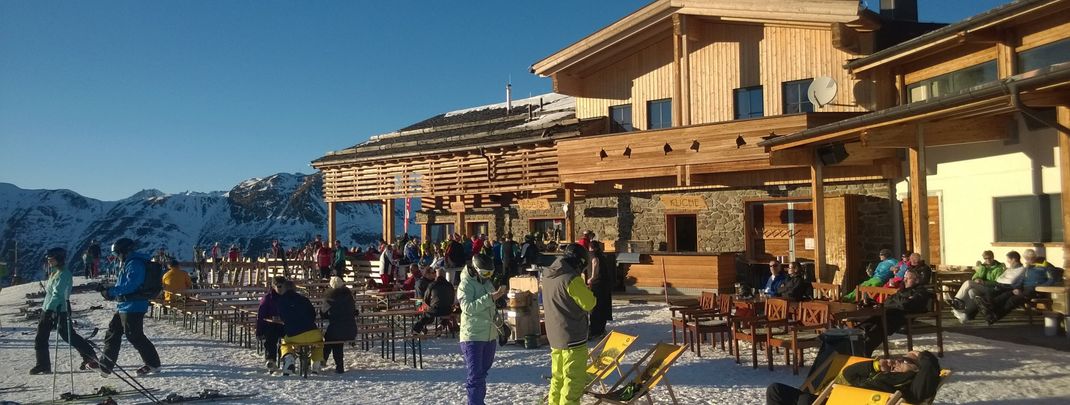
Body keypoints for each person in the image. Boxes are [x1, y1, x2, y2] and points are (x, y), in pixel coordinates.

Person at [766, 351, 940, 405]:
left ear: (918, 369)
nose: (899, 360)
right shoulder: (882, 373)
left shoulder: (910, 383)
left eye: (906, 361)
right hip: (834, 400)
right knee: (775, 390)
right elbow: (848, 374)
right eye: (900, 357)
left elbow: (929, 373)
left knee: (804, 401)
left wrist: (924, 356)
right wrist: (876, 365)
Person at [98, 238, 162, 376]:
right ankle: (105, 365)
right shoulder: (128, 263)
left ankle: (153, 364)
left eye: (116, 254)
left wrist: (110, 292)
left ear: (124, 252)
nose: (115, 257)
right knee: (113, 331)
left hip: (134, 305)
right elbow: (124, 283)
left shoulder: (135, 264)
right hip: (126, 304)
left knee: (134, 335)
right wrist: (109, 289)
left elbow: (131, 285)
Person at [30, 248, 100, 374]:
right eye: (48, 259)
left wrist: (49, 311)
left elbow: (58, 295)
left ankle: (90, 356)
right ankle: (42, 364)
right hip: (49, 308)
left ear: (59, 259)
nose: (49, 261)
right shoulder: (55, 272)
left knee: (68, 335)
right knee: (41, 336)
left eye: (51, 259)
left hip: (59, 309)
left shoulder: (64, 274)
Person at [545, 243, 597, 405]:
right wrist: (587, 289)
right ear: (579, 263)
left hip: (554, 335)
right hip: (572, 336)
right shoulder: (572, 280)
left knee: (558, 378)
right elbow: (589, 303)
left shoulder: (548, 275)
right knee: (573, 381)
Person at [458, 254, 508, 405]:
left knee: (482, 373)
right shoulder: (465, 284)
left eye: (490, 273)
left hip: (489, 335)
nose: (488, 276)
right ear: (476, 269)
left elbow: (491, 309)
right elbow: (467, 308)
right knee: (475, 375)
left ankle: (479, 401)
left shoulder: (487, 284)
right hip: (472, 336)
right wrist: (491, 298)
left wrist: (501, 327)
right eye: (485, 273)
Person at [858, 269, 933, 355]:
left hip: (900, 317)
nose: (904, 280)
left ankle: (864, 352)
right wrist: (870, 303)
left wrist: (897, 299)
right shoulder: (902, 290)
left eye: (908, 278)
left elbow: (907, 304)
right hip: (887, 313)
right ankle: (855, 346)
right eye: (904, 277)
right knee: (866, 324)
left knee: (878, 328)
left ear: (916, 280)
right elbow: (888, 301)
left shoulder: (920, 291)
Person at [975, 249, 1057, 325]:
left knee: (1012, 300)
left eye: (1029, 258)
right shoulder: (1028, 267)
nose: (1027, 261)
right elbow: (1022, 279)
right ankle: (990, 308)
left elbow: (1053, 279)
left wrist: (1040, 286)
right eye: (1026, 258)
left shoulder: (1045, 266)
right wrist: (1016, 288)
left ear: (1034, 257)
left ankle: (993, 314)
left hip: (1035, 290)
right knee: (1007, 294)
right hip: (1024, 288)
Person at [952, 251, 1025, 323]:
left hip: (992, 288)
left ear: (993, 258)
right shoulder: (984, 266)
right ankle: (966, 315)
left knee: (968, 283)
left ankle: (956, 302)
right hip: (985, 286)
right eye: (985, 258)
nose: (987, 260)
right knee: (972, 291)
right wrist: (980, 273)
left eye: (989, 258)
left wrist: (984, 282)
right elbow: (975, 277)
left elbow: (999, 281)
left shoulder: (999, 268)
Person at [277, 279, 325, 376]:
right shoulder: (304, 299)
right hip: (312, 332)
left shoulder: (281, 301)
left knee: (285, 343)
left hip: (293, 334)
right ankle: (316, 362)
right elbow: (313, 315)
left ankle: (289, 357)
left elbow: (282, 317)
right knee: (319, 343)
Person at [322, 277, 357, 374]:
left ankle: (324, 359)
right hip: (351, 329)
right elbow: (354, 311)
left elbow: (323, 313)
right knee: (334, 338)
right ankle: (337, 365)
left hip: (337, 330)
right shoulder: (349, 296)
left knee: (331, 338)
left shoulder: (329, 297)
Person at [413, 268, 456, 334]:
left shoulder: (432, 284)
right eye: (432, 273)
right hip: (421, 303)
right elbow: (452, 298)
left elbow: (426, 298)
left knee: (428, 315)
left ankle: (416, 329)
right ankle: (441, 325)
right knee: (444, 312)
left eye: (434, 273)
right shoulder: (449, 285)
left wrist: (430, 305)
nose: (434, 274)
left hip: (434, 308)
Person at [256, 277, 285, 371]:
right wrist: (259, 331)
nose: (281, 289)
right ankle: (271, 359)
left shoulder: (287, 297)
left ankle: (287, 358)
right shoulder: (268, 298)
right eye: (279, 286)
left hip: (284, 324)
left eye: (283, 286)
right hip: (270, 325)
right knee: (271, 338)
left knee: (289, 337)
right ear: (273, 286)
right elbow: (261, 315)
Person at [587, 241, 613, 339]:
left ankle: (595, 330)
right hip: (605, 284)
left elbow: (595, 264)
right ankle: (601, 329)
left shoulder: (593, 255)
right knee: (603, 306)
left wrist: (592, 278)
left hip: (597, 284)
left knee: (596, 307)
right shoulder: (602, 255)